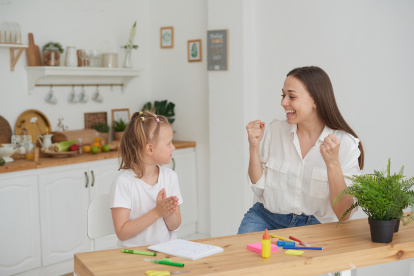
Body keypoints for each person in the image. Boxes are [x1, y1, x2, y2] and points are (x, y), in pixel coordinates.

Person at [238, 66, 364, 234]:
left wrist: (332, 163)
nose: (283, 102)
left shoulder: (345, 143)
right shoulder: (275, 130)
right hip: (266, 218)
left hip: (317, 226)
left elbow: (344, 213)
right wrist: (253, 146)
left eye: (292, 96)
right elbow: (259, 188)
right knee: (242, 258)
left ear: (315, 100)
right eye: (283, 95)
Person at [110, 110, 182, 247]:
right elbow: (122, 232)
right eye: (169, 143)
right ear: (150, 149)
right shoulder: (124, 182)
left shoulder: (170, 177)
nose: (173, 147)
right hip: (133, 257)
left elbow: (175, 225)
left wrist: (167, 212)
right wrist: (157, 212)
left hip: (168, 252)